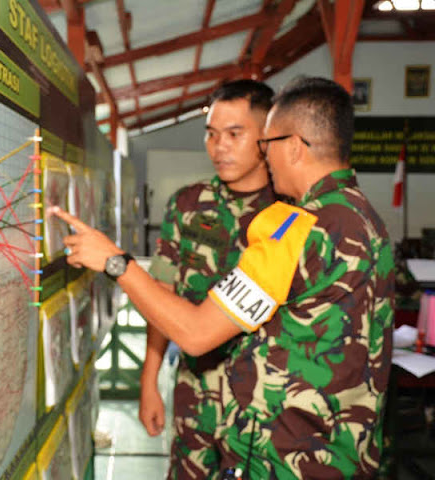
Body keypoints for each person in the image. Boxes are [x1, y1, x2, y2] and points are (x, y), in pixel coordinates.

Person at [51, 76, 393, 478]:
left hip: (284, 456)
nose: (265, 155)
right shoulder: (365, 218)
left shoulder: (296, 226)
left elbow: (196, 333)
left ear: (295, 147)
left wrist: (115, 262)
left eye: (266, 143)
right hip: (341, 452)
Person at [140, 80, 276, 479]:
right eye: (212, 134)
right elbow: (161, 297)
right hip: (194, 395)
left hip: (263, 409)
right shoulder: (187, 204)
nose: (220, 146)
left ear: (266, 136)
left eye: (235, 134)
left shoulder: (289, 213)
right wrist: (149, 380)